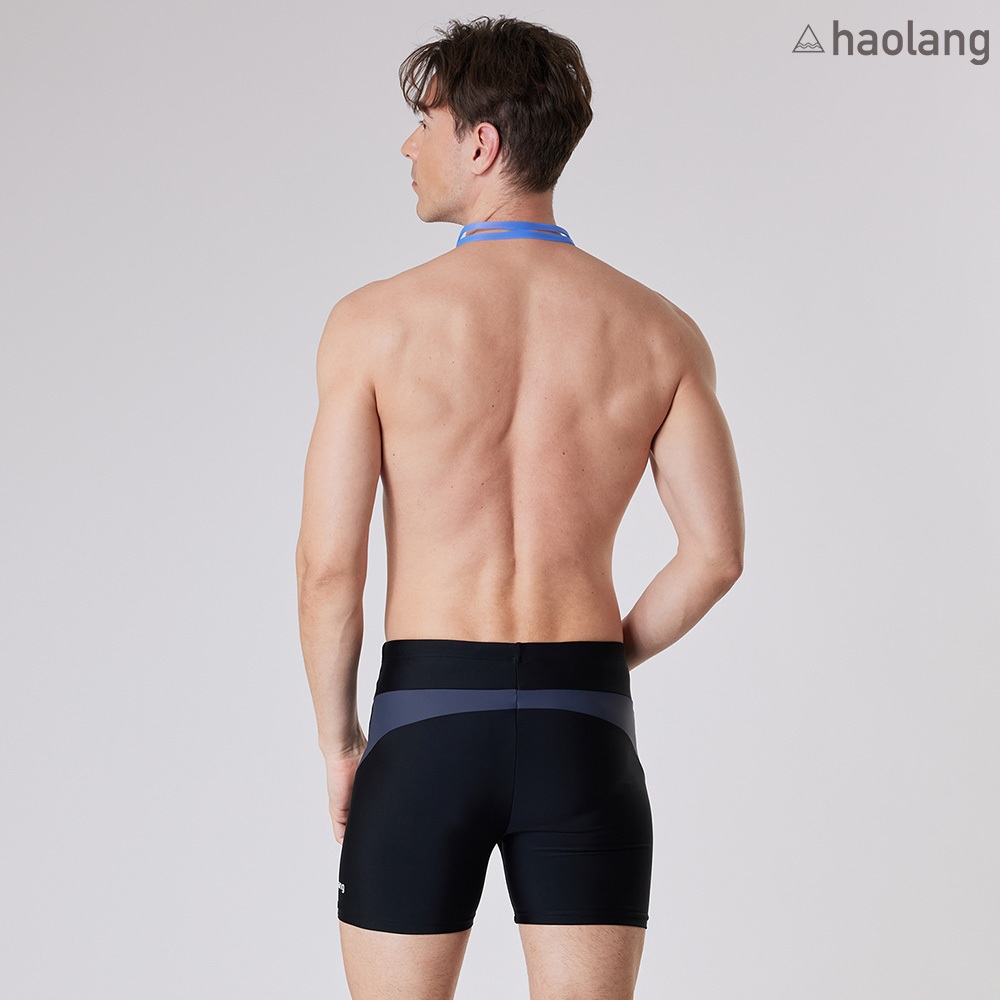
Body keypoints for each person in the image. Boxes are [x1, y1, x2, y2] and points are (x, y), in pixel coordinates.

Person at [295, 14, 744, 1000]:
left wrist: (339, 744)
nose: (408, 147)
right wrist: (594, 662)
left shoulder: (373, 324)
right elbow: (714, 555)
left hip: (424, 722)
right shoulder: (660, 332)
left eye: (425, 123)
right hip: (583, 722)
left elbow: (329, 569)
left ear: (481, 144)